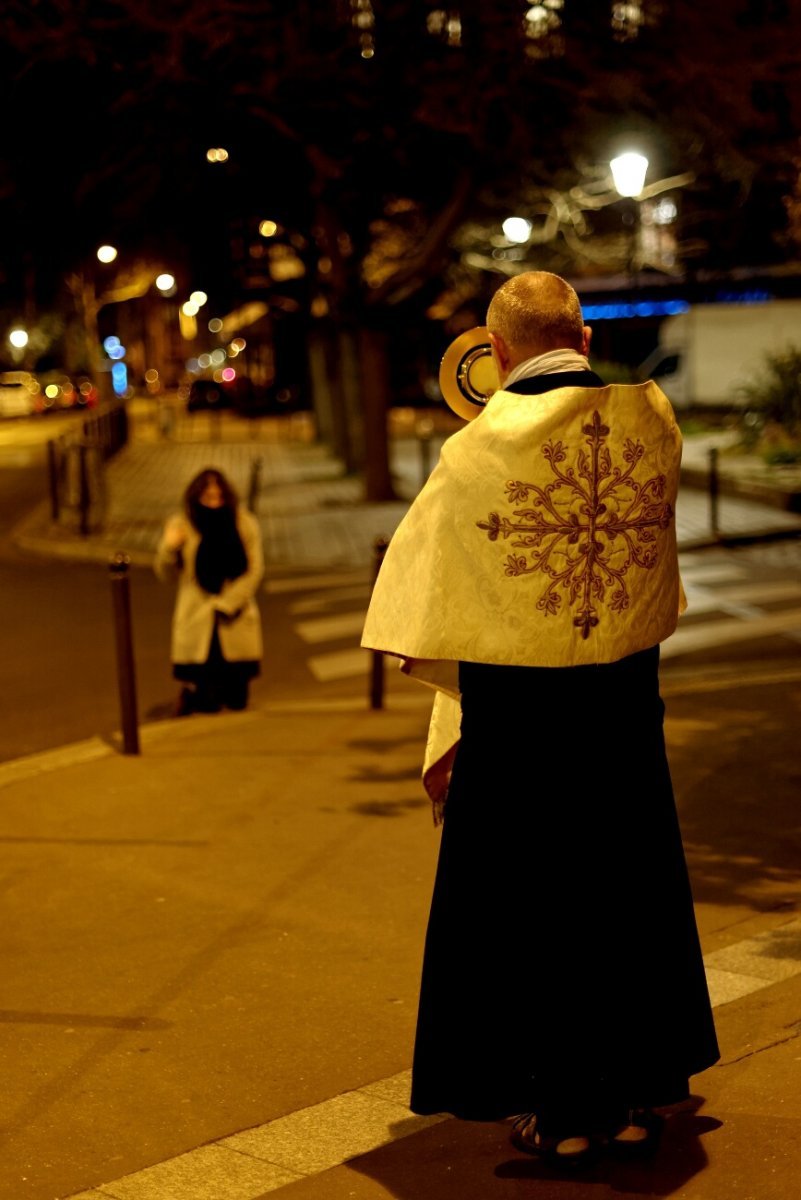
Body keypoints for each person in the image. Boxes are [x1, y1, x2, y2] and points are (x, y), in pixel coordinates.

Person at [361, 271, 719, 1169]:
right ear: (586, 340)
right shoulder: (655, 420)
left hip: (520, 726)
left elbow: (426, 593)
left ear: (498, 351)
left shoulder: (477, 450)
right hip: (622, 711)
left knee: (532, 908)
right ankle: (632, 1092)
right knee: (624, 893)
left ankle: (556, 1110)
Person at [155, 467, 263, 715]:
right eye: (208, 497)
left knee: (237, 701)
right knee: (208, 704)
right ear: (196, 497)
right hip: (197, 615)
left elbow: (254, 570)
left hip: (233, 616)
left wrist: (228, 602)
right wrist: (169, 548)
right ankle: (193, 694)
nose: (214, 502)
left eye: (219, 496)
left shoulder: (243, 523)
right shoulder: (182, 524)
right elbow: (165, 574)